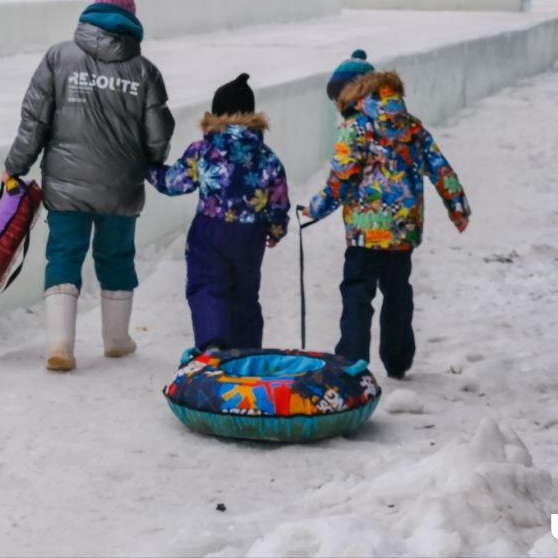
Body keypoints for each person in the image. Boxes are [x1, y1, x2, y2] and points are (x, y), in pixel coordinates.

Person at [4, 0, 175, 371]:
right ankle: (116, 339)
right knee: (116, 257)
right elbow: (158, 134)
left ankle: (60, 343)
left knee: (64, 254)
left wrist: (15, 166)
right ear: (130, 18)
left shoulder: (58, 58)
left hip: (65, 186)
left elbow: (34, 121)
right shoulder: (144, 71)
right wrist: (151, 161)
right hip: (121, 185)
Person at [299, 70, 470, 379]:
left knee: (356, 293)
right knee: (397, 291)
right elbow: (439, 166)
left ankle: (351, 360)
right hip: (402, 230)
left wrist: (316, 208)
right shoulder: (412, 126)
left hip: (365, 232)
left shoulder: (355, 128)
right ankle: (398, 358)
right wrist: (457, 205)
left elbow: (342, 177)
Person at [148, 74, 290, 351]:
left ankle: (213, 347)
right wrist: (276, 229)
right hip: (251, 235)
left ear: (216, 113)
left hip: (210, 230)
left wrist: (147, 169)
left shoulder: (204, 150)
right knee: (245, 295)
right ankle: (248, 354)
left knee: (207, 288)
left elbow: (174, 183)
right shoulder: (266, 155)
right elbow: (279, 197)